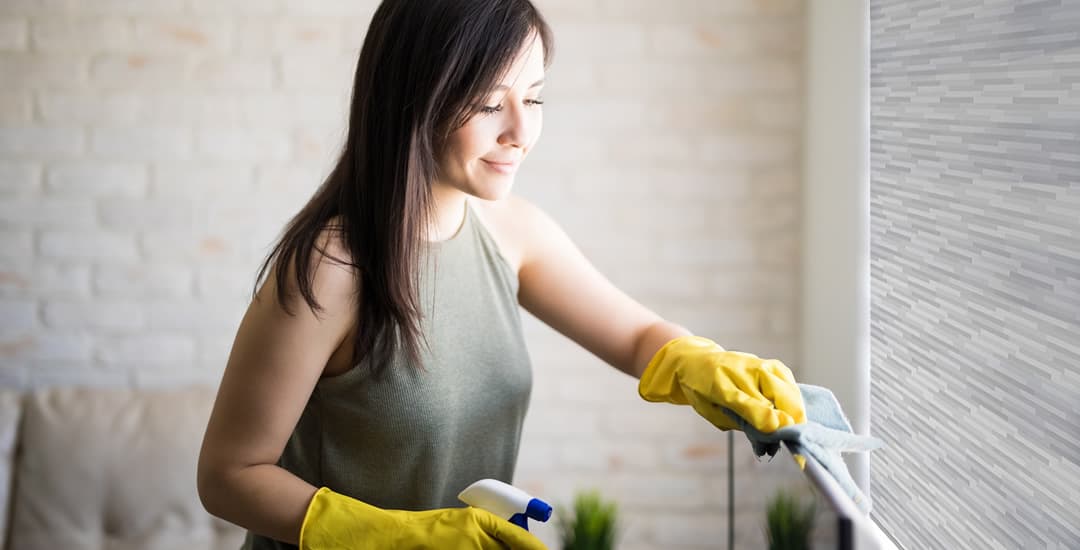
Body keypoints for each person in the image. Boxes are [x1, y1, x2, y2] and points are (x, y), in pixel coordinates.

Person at [196, 0, 807, 548]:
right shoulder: (331, 269)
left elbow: (635, 337)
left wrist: (699, 363)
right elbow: (228, 477)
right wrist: (397, 537)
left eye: (534, 97)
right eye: (490, 102)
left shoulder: (511, 229)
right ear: (413, 97)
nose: (521, 132)